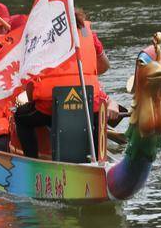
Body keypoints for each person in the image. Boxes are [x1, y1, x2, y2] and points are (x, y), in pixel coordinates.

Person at [13, 9, 118, 159]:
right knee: (96, 115)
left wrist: (33, 99)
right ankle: (97, 160)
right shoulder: (88, 34)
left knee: (20, 117)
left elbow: (30, 84)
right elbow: (104, 66)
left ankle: (32, 160)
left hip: (50, 107)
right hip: (88, 103)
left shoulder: (41, 37)